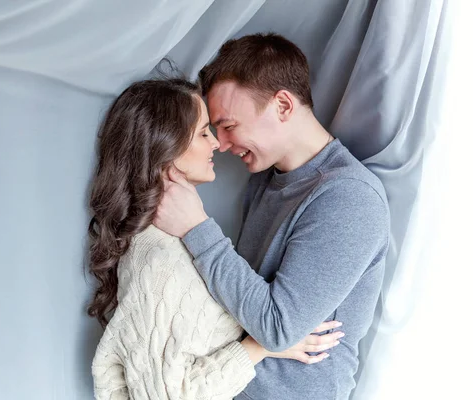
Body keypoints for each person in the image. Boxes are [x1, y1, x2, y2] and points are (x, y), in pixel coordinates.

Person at [154, 33, 391, 400]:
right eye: (214, 131)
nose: (223, 144)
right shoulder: (265, 181)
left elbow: (277, 326)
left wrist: (195, 228)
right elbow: (247, 310)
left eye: (229, 126)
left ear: (282, 105)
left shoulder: (350, 197)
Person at [88, 78, 344, 399]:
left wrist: (272, 338)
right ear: (165, 146)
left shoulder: (179, 242)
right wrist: (259, 347)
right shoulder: (161, 259)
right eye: (204, 132)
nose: (217, 144)